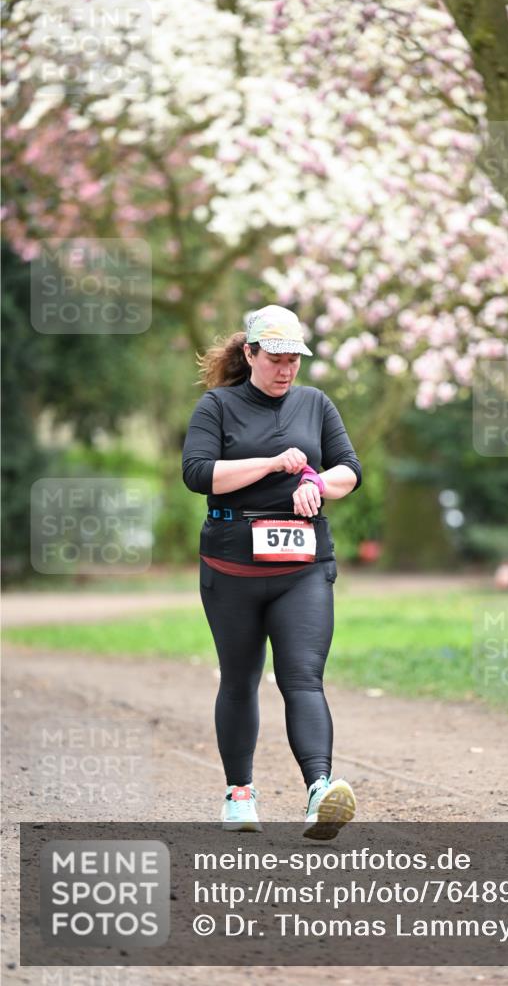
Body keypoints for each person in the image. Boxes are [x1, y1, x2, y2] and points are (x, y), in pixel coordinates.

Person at [182, 304, 362, 840]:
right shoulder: (217, 406)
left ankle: (320, 792)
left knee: (302, 677)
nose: (286, 370)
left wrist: (318, 484)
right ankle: (240, 794)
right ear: (250, 354)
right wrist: (270, 463)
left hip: (303, 566)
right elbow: (197, 474)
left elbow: (349, 469)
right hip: (230, 564)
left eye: (295, 360)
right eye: (276, 358)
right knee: (240, 680)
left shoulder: (316, 404)